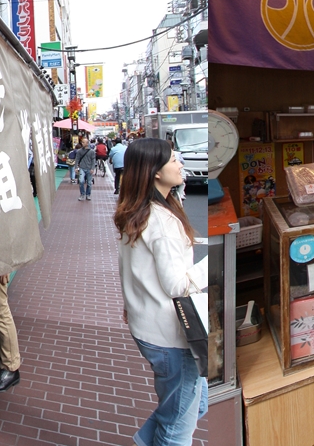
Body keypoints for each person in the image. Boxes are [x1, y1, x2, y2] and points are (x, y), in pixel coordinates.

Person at [115, 138, 208, 446]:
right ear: (154, 172)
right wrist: (213, 267)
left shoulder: (136, 211)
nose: (180, 164)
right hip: (173, 335)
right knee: (178, 428)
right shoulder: (162, 219)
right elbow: (176, 284)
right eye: (173, 161)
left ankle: (145, 440)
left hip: (148, 328)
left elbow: (130, 268)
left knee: (189, 407)